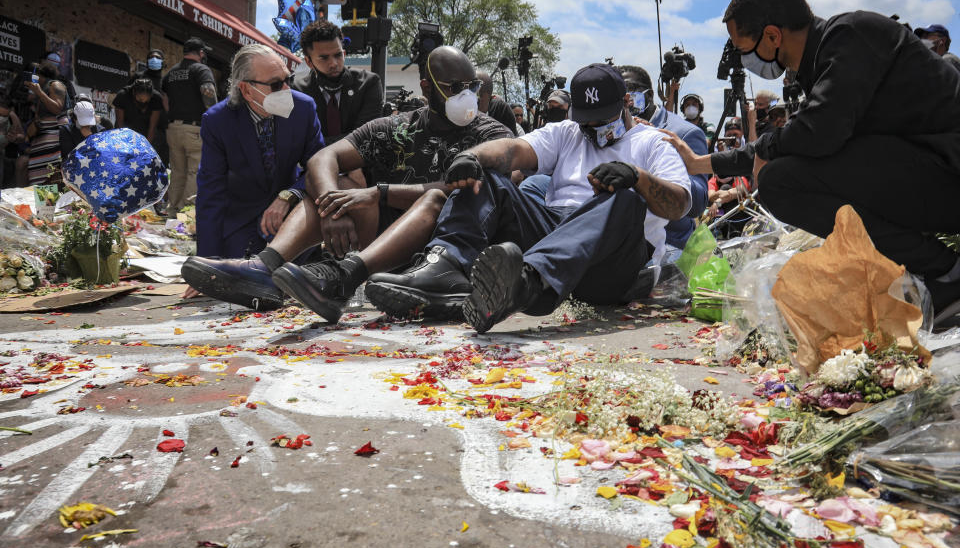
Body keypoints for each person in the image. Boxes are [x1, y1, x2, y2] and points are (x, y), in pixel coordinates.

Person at [689, 0, 960, 323]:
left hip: (947, 175)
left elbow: (819, 132)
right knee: (785, 171)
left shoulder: (851, 35)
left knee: (781, 181)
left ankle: (944, 273)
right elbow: (800, 134)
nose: (744, 61)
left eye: (744, 50)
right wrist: (700, 163)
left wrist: (767, 148)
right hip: (927, 176)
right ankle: (927, 271)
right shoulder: (821, 64)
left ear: (772, 35)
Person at [181, 46, 513, 319]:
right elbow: (322, 158)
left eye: (473, 87)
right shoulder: (395, 127)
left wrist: (379, 192)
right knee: (335, 187)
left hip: (444, 250)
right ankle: (265, 268)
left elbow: (474, 187)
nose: (467, 96)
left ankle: (342, 277)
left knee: (425, 200)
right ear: (427, 87)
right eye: (456, 88)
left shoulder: (491, 133)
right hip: (382, 241)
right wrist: (331, 207)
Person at [364, 63, 692, 333]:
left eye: (603, 118)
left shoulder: (653, 143)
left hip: (609, 263)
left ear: (626, 103)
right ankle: (445, 268)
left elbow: (679, 205)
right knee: (487, 179)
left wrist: (638, 178)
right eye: (586, 119)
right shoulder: (567, 132)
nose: (593, 126)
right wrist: (473, 158)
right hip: (557, 234)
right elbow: (514, 150)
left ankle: (524, 284)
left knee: (625, 199)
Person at [190, 44, 322, 263]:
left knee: (295, 273)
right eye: (276, 84)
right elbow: (211, 191)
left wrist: (288, 197)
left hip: (292, 212)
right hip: (243, 218)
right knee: (238, 275)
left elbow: (317, 167)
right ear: (246, 90)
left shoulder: (304, 109)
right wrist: (207, 262)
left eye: (287, 79)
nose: (286, 90)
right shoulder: (217, 121)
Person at [619, 65, 709, 250]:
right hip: (622, 242)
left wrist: (664, 160)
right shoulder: (614, 129)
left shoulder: (685, 132)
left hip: (670, 248)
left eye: (632, 91)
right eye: (620, 93)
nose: (627, 98)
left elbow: (698, 203)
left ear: (649, 95)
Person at [291, 20, 382, 146]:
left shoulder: (368, 83)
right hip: (314, 164)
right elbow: (299, 140)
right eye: (324, 58)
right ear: (309, 62)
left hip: (360, 163)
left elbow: (367, 136)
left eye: (338, 55)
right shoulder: (297, 90)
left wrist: (316, 143)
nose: (334, 63)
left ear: (344, 54)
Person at [163, 37, 216, 212]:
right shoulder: (201, 69)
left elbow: (165, 100)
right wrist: (215, 116)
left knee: (177, 171)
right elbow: (208, 92)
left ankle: (172, 210)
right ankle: (186, 214)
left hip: (173, 128)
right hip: (194, 128)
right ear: (201, 53)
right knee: (194, 171)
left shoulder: (171, 73)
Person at [17, 62, 67, 186]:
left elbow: (57, 108)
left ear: (40, 75)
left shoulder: (55, 85)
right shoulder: (41, 91)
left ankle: (53, 205)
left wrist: (38, 92)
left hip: (53, 150)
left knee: (52, 185)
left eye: (35, 75)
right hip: (40, 150)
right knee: (39, 190)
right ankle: (41, 206)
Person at [112, 78, 163, 145]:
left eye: (147, 100)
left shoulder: (156, 98)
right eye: (140, 99)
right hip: (126, 131)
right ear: (133, 92)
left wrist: (147, 146)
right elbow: (120, 125)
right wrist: (123, 144)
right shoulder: (123, 96)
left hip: (145, 132)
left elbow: (152, 128)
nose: (143, 102)